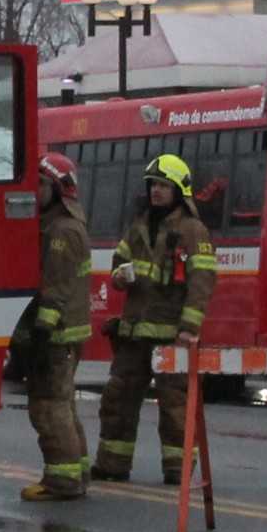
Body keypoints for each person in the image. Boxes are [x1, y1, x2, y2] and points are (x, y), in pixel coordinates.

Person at [96, 153, 218, 482]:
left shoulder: (193, 231)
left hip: (171, 335)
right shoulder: (138, 226)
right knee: (118, 399)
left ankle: (178, 471)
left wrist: (189, 329)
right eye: (153, 186)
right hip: (134, 333)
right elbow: (117, 265)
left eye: (164, 186)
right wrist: (121, 276)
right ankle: (111, 464)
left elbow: (202, 283)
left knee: (174, 406)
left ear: (179, 191)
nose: (156, 192)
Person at [20, 151, 94, 502]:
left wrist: (41, 331)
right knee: (63, 403)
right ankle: (77, 470)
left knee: (49, 405)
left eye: (40, 183)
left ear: (59, 188)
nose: (33, 190)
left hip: (58, 332)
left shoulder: (63, 230)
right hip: (63, 331)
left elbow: (56, 286)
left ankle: (62, 481)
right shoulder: (54, 223)